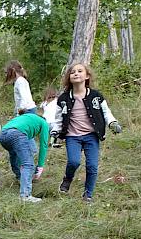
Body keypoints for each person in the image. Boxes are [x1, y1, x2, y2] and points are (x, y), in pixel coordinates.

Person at [51, 63, 123, 203]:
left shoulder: (96, 96)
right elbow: (58, 119)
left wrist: (112, 123)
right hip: (72, 136)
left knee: (92, 166)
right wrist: (55, 132)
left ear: (87, 76)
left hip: (91, 136)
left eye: (79, 71)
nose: (76, 73)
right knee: (74, 161)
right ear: (69, 78)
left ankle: (88, 195)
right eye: (72, 72)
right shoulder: (63, 99)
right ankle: (67, 179)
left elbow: (106, 113)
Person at [0, 112, 49, 203]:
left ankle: (20, 179)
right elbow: (44, 145)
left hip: (2, 135)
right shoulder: (43, 122)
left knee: (14, 156)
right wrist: (40, 166)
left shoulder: (28, 118)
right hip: (17, 134)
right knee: (28, 164)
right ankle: (25, 195)